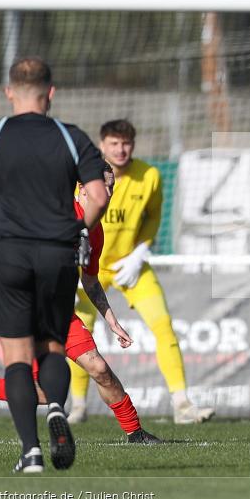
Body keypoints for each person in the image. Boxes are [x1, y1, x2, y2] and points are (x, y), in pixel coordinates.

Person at [0, 57, 108, 473]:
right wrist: (78, 230)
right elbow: (99, 196)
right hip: (56, 256)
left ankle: (31, 452)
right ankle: (57, 406)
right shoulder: (74, 138)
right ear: (51, 93)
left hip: (8, 255)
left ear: (8, 92)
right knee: (53, 347)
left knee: (19, 359)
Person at [0, 163, 162, 444]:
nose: (109, 192)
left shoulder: (95, 232)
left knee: (99, 368)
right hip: (22, 307)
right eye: (103, 185)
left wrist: (112, 320)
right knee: (43, 393)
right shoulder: (53, 213)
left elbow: (90, 281)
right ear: (82, 187)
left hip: (58, 311)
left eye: (112, 187)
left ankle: (135, 433)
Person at [68, 119, 214, 425]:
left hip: (130, 268)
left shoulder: (149, 175)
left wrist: (139, 253)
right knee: (82, 336)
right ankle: (78, 407)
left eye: (126, 143)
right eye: (114, 143)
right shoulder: (82, 177)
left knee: (163, 326)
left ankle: (182, 404)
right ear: (102, 145)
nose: (121, 150)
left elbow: (154, 217)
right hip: (89, 267)